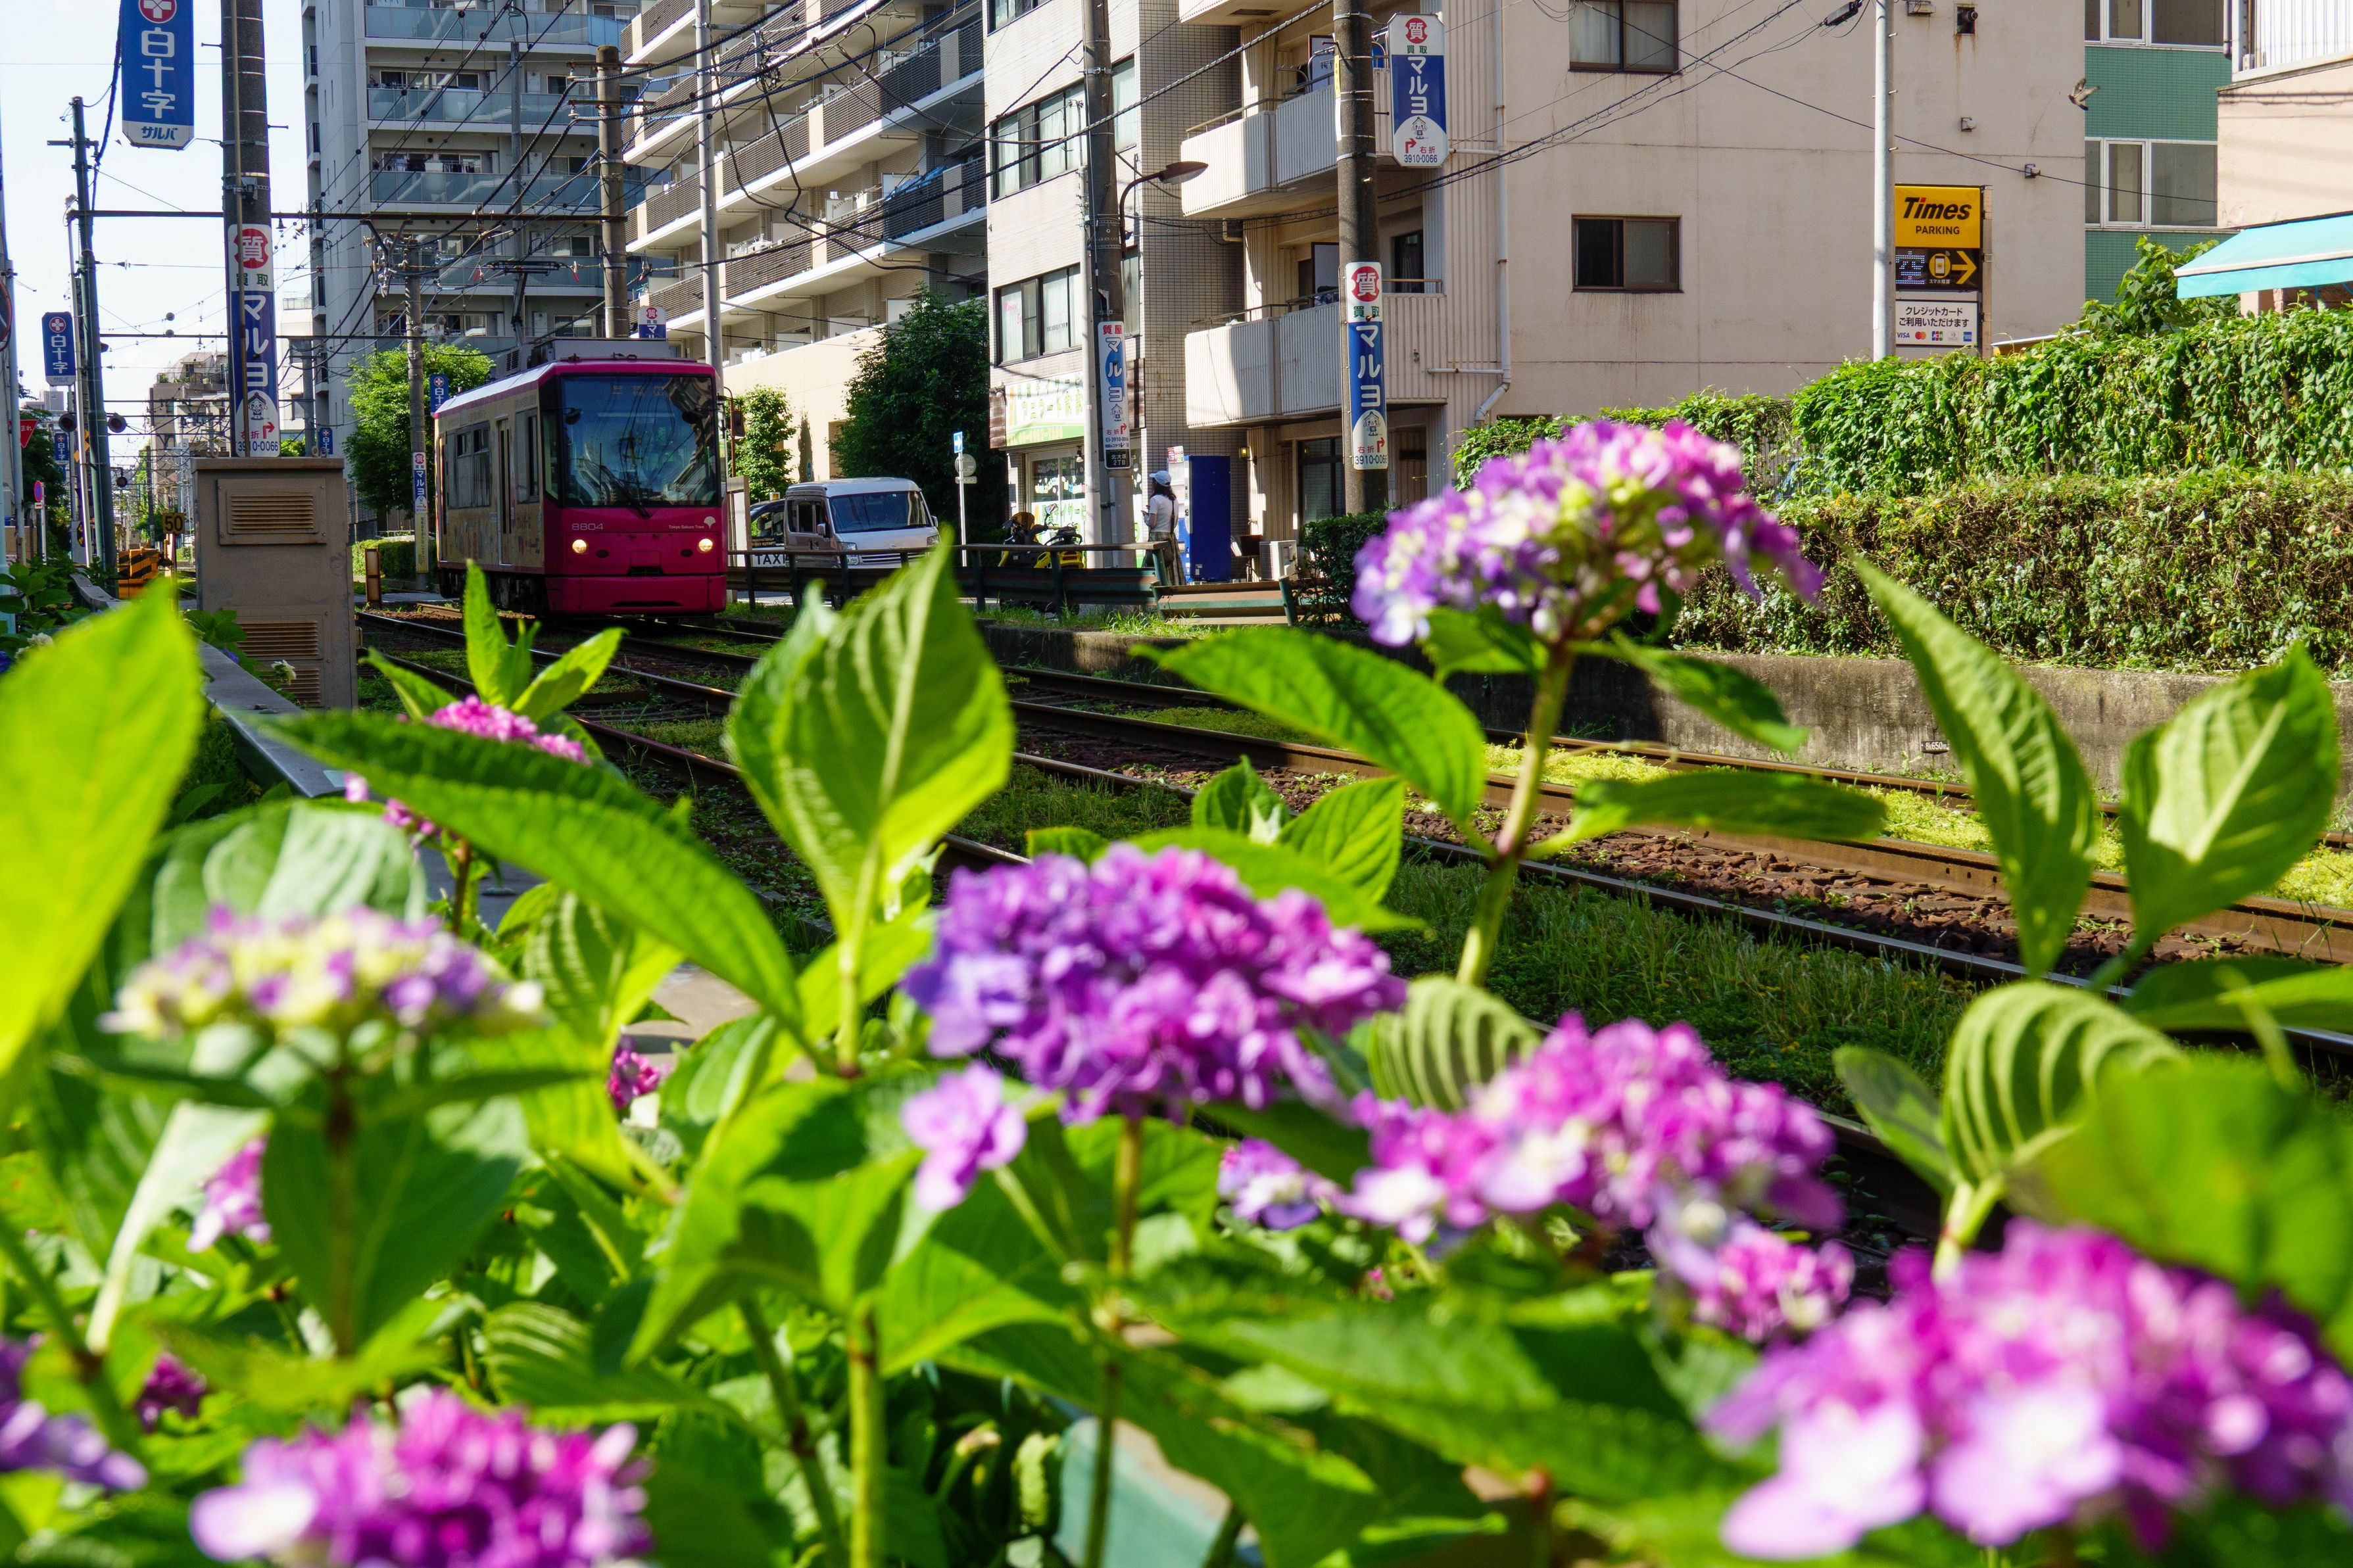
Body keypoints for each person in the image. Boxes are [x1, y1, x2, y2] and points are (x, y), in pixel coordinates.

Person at [1144, 473, 1179, 585]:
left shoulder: (1155, 499)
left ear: (1156, 483)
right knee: (1170, 566)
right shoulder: (1174, 501)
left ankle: (1155, 589)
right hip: (1170, 537)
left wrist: (1146, 516)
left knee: (1154, 567)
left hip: (1157, 537)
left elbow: (1152, 523)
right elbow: (1174, 523)